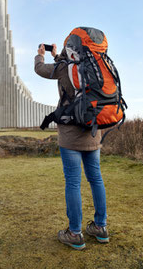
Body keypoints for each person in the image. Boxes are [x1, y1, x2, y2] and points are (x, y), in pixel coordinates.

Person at [34, 42, 109, 250]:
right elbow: (68, 66)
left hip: (70, 134)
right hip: (93, 132)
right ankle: (100, 228)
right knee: (96, 179)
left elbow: (41, 70)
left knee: (73, 183)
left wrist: (41, 55)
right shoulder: (95, 66)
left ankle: (75, 233)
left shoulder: (64, 70)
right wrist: (57, 55)